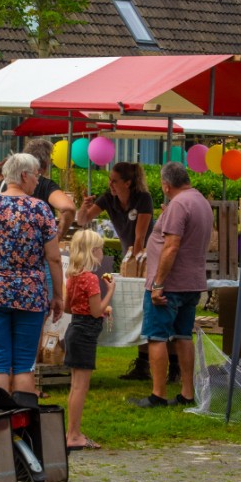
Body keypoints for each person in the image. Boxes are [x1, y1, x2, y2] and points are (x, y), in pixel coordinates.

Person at [0, 153, 63, 394]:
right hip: (30, 294)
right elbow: (54, 258)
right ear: (24, 175)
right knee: (24, 365)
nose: (38, 182)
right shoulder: (40, 209)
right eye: (36, 176)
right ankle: (23, 423)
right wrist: (58, 295)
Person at [132, 162, 213, 409]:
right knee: (182, 336)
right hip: (192, 282)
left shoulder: (179, 204)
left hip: (170, 284)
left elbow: (172, 246)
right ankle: (187, 393)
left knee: (156, 337)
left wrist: (158, 283)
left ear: (166, 186)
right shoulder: (200, 201)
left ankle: (158, 394)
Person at [76, 161, 156, 381]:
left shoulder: (143, 199)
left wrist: (134, 267)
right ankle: (143, 364)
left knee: (144, 308)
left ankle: (146, 363)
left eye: (114, 181)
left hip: (146, 258)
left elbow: (140, 238)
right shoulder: (108, 198)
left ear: (128, 183)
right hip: (129, 257)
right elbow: (83, 220)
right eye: (110, 180)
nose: (110, 184)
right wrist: (84, 206)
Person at [0, 138, 75, 241]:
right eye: (50, 159)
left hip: (3, 250)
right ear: (45, 162)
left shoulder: (6, 183)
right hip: (36, 252)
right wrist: (58, 236)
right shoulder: (45, 185)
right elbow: (68, 207)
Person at [64, 230, 115, 451]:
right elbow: (96, 311)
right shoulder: (91, 278)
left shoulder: (73, 276)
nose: (102, 252)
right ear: (93, 251)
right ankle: (74, 435)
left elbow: (69, 306)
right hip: (86, 333)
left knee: (75, 386)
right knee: (81, 387)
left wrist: (102, 308)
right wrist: (109, 293)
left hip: (74, 328)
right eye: (100, 248)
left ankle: (71, 432)